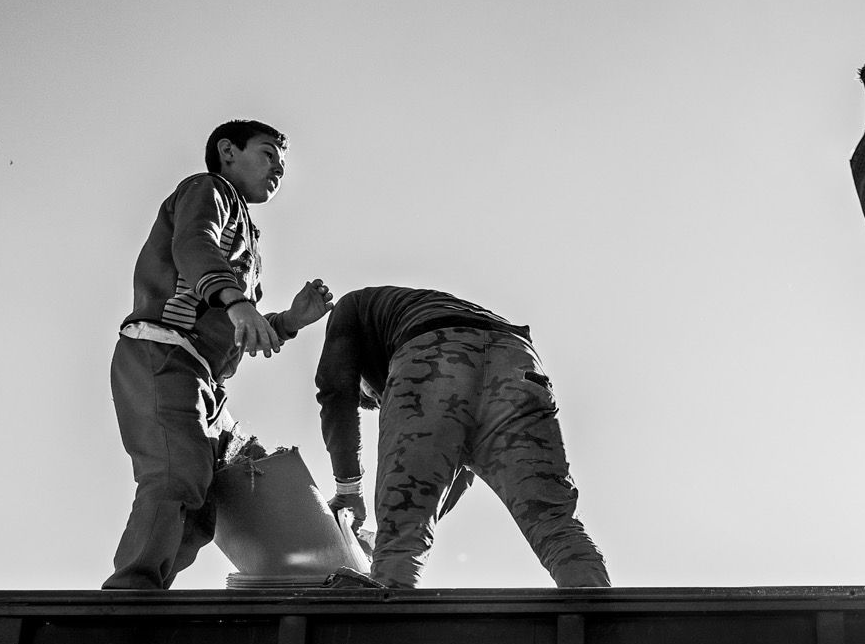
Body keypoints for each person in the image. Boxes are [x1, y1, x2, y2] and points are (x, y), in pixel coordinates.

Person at [103, 119, 335, 590]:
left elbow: (240, 330)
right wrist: (238, 302)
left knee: (206, 498)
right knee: (176, 473)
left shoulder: (250, 239)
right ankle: (130, 594)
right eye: (269, 154)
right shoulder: (207, 190)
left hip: (204, 378)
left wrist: (289, 320)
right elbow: (194, 245)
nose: (279, 169)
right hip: (162, 351)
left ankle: (154, 594)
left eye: (284, 164)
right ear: (228, 151)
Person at [315, 285, 610, 589]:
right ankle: (601, 621)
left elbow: (336, 391)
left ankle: (379, 631)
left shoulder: (351, 307)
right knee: (555, 524)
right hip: (518, 363)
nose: (382, 401)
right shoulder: (410, 307)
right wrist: (392, 527)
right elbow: (451, 468)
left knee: (402, 540)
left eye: (376, 397)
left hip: (434, 355)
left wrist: (351, 490)